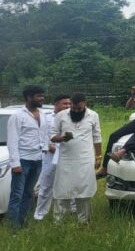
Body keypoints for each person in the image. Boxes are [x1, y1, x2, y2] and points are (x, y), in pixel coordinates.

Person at [51, 93, 102, 223]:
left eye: (79, 108)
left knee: (84, 191)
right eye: (73, 108)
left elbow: (97, 137)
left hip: (85, 159)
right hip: (66, 160)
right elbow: (53, 136)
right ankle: (59, 221)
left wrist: (98, 156)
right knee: (62, 190)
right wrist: (63, 138)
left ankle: (84, 221)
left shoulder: (93, 115)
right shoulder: (61, 116)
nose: (76, 111)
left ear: (85, 104)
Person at [6, 84, 47, 228]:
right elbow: (12, 141)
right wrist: (15, 164)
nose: (42, 98)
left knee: (29, 193)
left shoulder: (42, 114)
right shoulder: (18, 116)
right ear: (29, 97)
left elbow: (44, 136)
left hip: (38, 159)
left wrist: (46, 148)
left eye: (42, 95)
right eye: (39, 96)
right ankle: (13, 227)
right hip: (22, 160)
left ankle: (22, 222)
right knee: (17, 195)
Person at [34, 94, 73, 221]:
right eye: (65, 103)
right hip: (50, 156)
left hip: (68, 155)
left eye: (69, 103)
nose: (68, 106)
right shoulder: (46, 118)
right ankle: (40, 213)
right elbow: (40, 135)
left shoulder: (72, 118)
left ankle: (72, 210)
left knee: (71, 183)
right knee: (46, 185)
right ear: (56, 105)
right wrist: (48, 146)